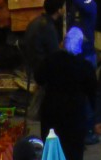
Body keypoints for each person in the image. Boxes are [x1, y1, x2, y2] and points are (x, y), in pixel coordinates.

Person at [38, 26, 97, 160]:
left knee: (51, 151)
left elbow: (39, 77)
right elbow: (93, 91)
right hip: (75, 117)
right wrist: (95, 117)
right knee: (73, 152)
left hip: (51, 114)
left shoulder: (51, 60)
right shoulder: (84, 66)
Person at [22, 0, 65, 88]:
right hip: (41, 71)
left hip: (31, 65)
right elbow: (55, 55)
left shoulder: (36, 21)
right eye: (64, 6)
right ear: (59, 10)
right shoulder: (48, 27)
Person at [65, 0, 98, 66]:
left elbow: (83, 7)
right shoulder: (72, 1)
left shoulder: (89, 1)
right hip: (74, 52)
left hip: (87, 53)